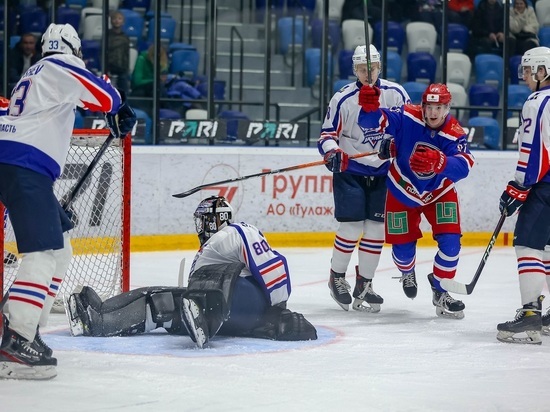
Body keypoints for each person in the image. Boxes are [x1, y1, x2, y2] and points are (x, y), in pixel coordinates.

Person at [0, 23, 137, 380]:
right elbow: (103, 94)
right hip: (23, 167)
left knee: (60, 249)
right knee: (43, 252)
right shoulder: (60, 65)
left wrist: (109, 112)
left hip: (20, 167)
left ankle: (22, 323)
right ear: (73, 50)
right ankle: (16, 340)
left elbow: (85, 97)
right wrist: (117, 106)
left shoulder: (39, 72)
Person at [64, 196, 317, 348]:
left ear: (214, 220)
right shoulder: (213, 247)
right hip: (230, 314)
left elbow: (273, 265)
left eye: (202, 221)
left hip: (249, 307)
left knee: (201, 287)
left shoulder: (236, 231)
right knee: (160, 301)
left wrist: (279, 308)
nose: (199, 227)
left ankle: (203, 314)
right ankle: (99, 320)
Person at [357, 83, 475, 319]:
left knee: (452, 245)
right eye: (429, 107)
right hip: (403, 189)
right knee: (402, 251)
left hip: (439, 192)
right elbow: (372, 124)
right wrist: (369, 109)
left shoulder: (454, 131)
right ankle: (407, 270)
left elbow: (465, 165)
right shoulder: (407, 115)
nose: (433, 113)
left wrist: (441, 163)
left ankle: (441, 290)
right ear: (422, 105)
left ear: (447, 108)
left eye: (439, 107)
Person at [318, 44, 410, 313]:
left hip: (384, 173)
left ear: (380, 67)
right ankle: (337, 278)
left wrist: (394, 145)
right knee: (350, 227)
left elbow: (409, 129)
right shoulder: (343, 99)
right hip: (352, 171)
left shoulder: (396, 94)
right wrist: (333, 152)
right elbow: (326, 136)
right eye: (361, 68)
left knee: (375, 230)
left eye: (371, 68)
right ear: (354, 69)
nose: (367, 73)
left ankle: (364, 284)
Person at [496, 47, 550, 345]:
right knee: (549, 247)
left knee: (528, 244)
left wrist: (519, 185)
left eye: (530, 71)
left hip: (545, 186)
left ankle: (530, 314)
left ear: (543, 70)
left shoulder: (537, 101)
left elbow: (534, 151)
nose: (526, 77)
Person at [106, 10, 131, 94]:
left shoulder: (125, 37)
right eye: (115, 18)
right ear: (111, 21)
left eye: (119, 19)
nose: (117, 21)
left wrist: (126, 68)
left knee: (124, 92)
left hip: (122, 69)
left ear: (123, 22)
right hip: (109, 67)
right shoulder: (107, 35)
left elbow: (126, 54)